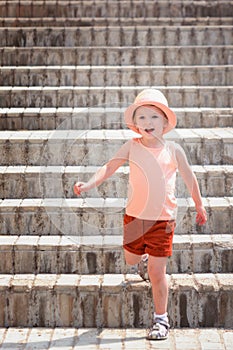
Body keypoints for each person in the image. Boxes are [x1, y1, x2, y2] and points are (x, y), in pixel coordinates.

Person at [74, 89, 207, 340]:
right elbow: (109, 167)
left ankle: (161, 319)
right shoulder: (131, 146)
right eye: (142, 117)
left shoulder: (174, 150)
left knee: (159, 272)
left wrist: (199, 205)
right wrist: (89, 184)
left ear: (165, 122)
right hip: (134, 217)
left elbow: (190, 178)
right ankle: (143, 262)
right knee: (131, 260)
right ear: (135, 124)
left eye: (155, 117)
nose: (148, 123)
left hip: (163, 220)